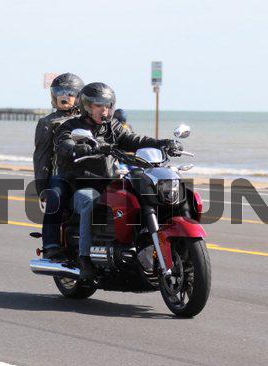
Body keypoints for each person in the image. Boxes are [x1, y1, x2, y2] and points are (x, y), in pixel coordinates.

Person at [55, 82, 181, 282]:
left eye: (107, 105)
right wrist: (77, 148)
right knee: (89, 202)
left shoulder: (111, 127)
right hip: (82, 185)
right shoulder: (71, 126)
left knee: (139, 196)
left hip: (110, 182)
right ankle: (84, 258)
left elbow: (133, 140)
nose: (104, 110)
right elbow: (64, 143)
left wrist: (161, 143)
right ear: (86, 106)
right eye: (98, 105)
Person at [33, 72, 84, 260]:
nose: (64, 96)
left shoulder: (87, 120)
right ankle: (50, 245)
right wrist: (42, 188)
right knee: (55, 197)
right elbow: (41, 156)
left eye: (70, 92)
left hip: (88, 173)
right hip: (61, 174)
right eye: (60, 91)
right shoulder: (47, 122)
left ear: (80, 96)